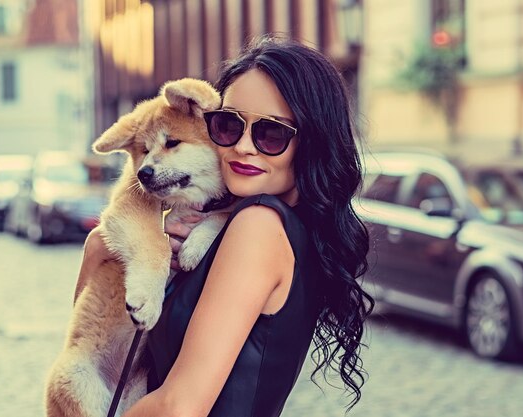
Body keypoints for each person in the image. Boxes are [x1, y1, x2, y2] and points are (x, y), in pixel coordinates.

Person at [77, 35, 374, 417]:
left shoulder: (259, 226)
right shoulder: (265, 225)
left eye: (272, 133)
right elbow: (91, 340)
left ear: (312, 143)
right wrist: (99, 248)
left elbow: (178, 406)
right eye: (229, 125)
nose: (243, 146)